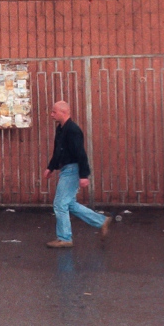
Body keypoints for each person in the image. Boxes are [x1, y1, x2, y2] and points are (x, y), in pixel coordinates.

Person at [44, 100, 111, 248]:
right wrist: (51, 168)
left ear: (64, 112)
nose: (51, 114)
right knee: (69, 203)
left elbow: (80, 153)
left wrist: (83, 175)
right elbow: (58, 151)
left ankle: (65, 238)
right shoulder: (61, 129)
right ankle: (101, 221)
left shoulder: (73, 130)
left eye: (54, 112)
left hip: (72, 169)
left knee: (60, 204)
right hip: (67, 169)